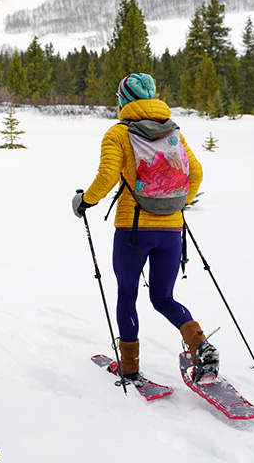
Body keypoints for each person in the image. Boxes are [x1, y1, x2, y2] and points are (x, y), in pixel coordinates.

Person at [71, 73, 219, 383]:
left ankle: (130, 367)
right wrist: (176, 203)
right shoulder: (172, 132)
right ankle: (200, 344)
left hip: (133, 229)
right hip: (172, 230)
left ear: (124, 100)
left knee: (127, 295)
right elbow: (197, 174)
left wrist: (86, 201)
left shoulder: (118, 133)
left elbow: (107, 175)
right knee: (164, 297)